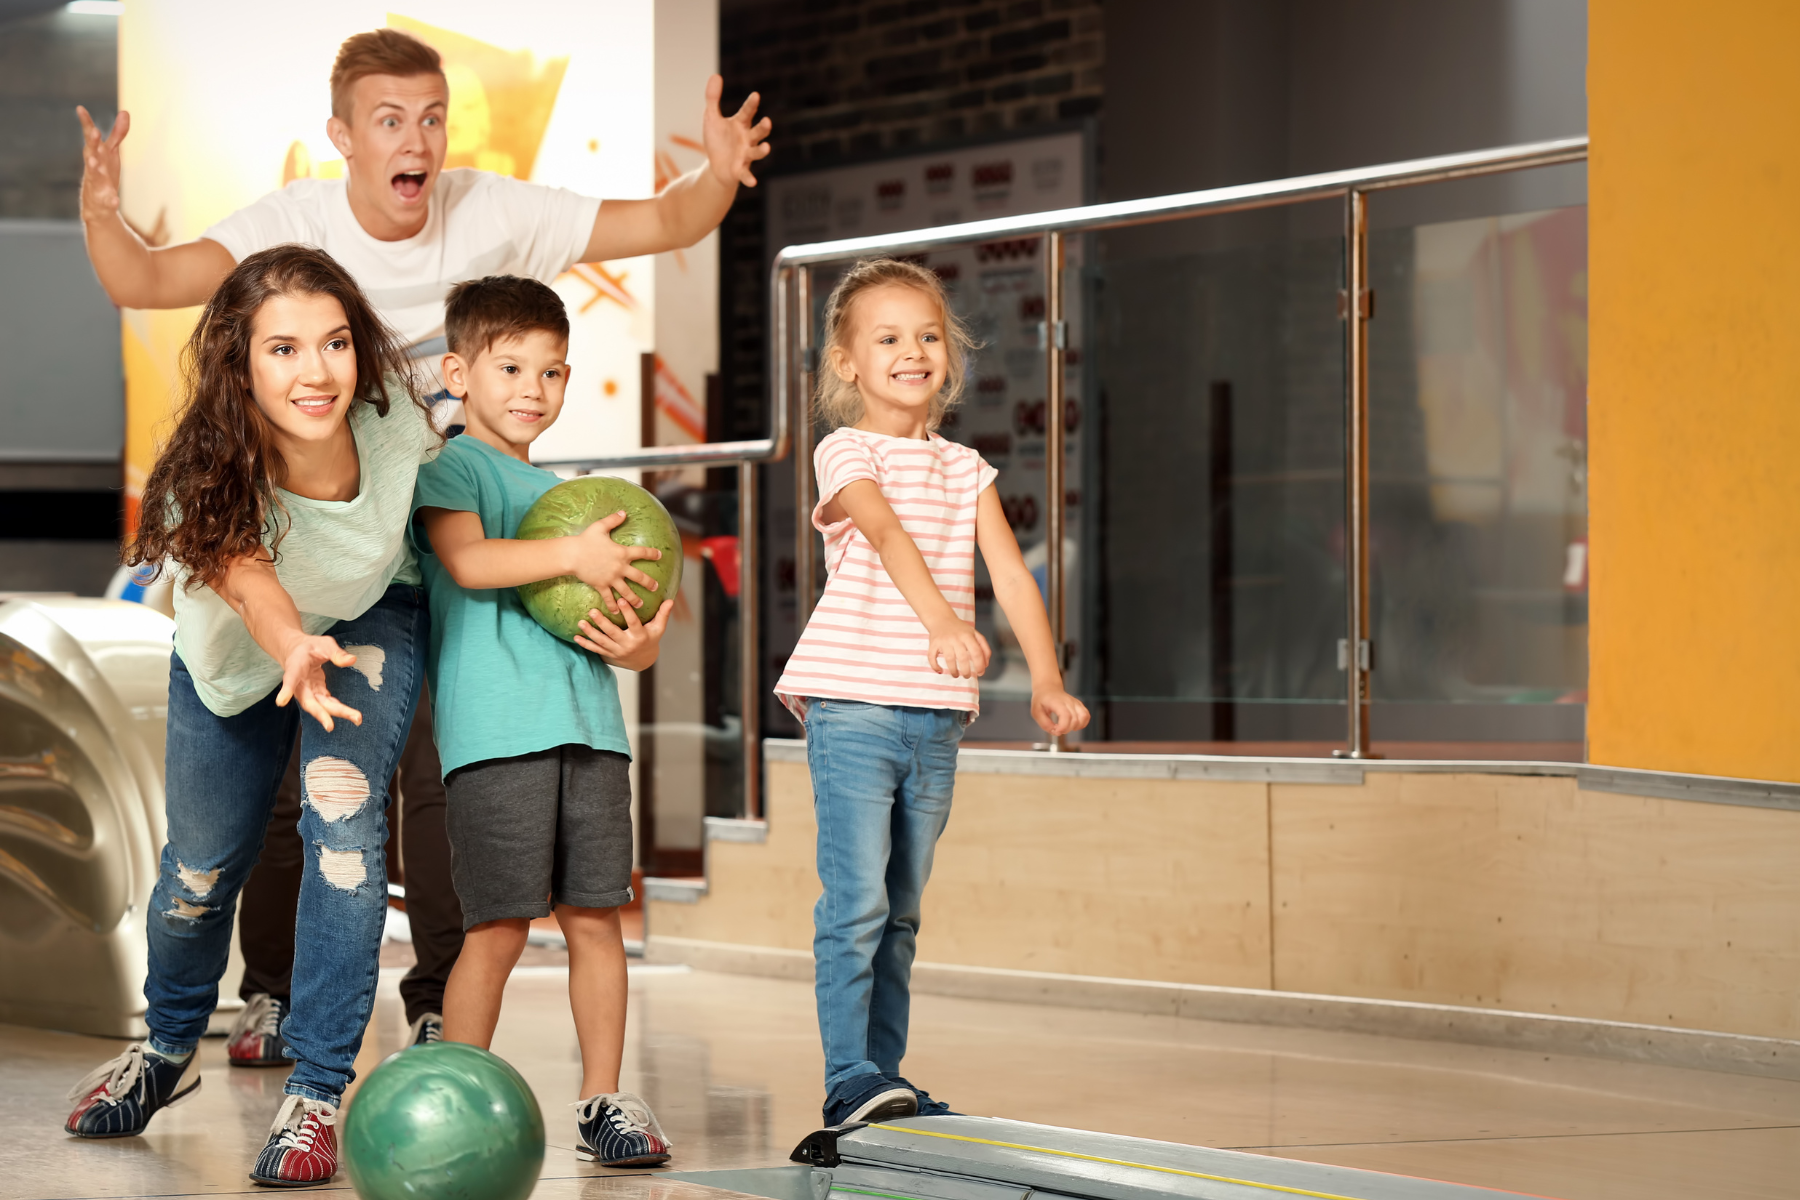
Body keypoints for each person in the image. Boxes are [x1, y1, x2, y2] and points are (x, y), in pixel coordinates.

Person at [73, 26, 771, 1058]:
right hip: (313, 538)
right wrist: (99, 210)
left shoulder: (494, 212)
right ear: (341, 136)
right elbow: (143, 278)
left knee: (436, 775)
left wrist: (716, 177)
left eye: (432, 117)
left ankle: (434, 996)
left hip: (431, 536)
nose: (418, 139)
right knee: (277, 788)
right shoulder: (291, 228)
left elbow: (665, 217)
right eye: (390, 119)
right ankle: (266, 993)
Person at [66, 247, 649, 1188]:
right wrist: (292, 640)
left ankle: (319, 1095)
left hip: (373, 624)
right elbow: (250, 583)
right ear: (240, 364)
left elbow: (471, 526)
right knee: (200, 871)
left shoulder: (394, 430)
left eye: (334, 342)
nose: (317, 371)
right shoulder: (203, 472)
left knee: (342, 828)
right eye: (285, 349)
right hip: (242, 658)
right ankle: (167, 1047)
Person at [773, 259, 1091, 1127]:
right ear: (847, 363)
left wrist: (1048, 680)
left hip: (936, 719)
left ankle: (885, 1075)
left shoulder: (966, 468)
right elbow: (881, 531)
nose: (912, 351)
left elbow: (1013, 579)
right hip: (854, 709)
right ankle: (847, 1076)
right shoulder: (847, 450)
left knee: (902, 913)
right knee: (857, 901)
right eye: (887, 338)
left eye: (927, 336)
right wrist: (943, 623)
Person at [410, 275, 675, 1165]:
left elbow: (603, 630)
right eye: (512, 366)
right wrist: (575, 552)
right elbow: (473, 560)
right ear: (458, 371)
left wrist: (638, 648)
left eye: (553, 373)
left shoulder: (570, 495)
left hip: (591, 732)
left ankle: (604, 1102)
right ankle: (457, 1095)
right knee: (498, 927)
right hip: (494, 741)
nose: (533, 389)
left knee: (596, 919)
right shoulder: (452, 469)